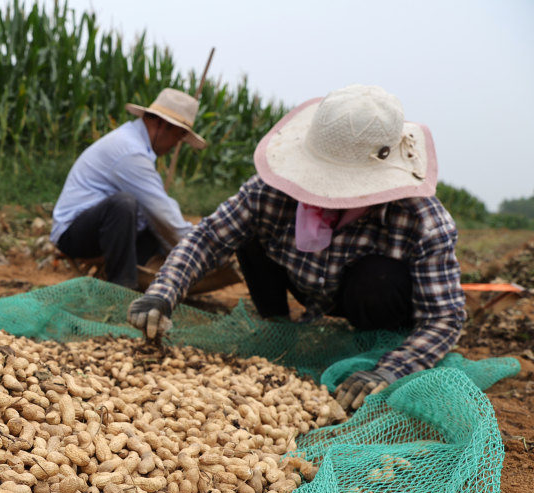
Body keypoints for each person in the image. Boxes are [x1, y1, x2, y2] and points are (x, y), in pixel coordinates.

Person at [127, 84, 466, 411]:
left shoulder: (422, 220)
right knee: (249, 237)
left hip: (370, 303)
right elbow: (209, 237)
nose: (329, 194)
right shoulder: (271, 191)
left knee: (378, 277)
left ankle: (373, 343)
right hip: (304, 281)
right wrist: (164, 291)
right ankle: (278, 328)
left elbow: (443, 317)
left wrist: (391, 369)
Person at [50, 88, 208, 289]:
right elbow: (164, 216)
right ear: (162, 124)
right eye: (178, 137)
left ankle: (152, 281)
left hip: (104, 230)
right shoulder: (130, 151)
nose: (176, 145)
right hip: (73, 234)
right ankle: (121, 289)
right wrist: (202, 251)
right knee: (124, 205)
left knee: (149, 224)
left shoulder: (136, 144)